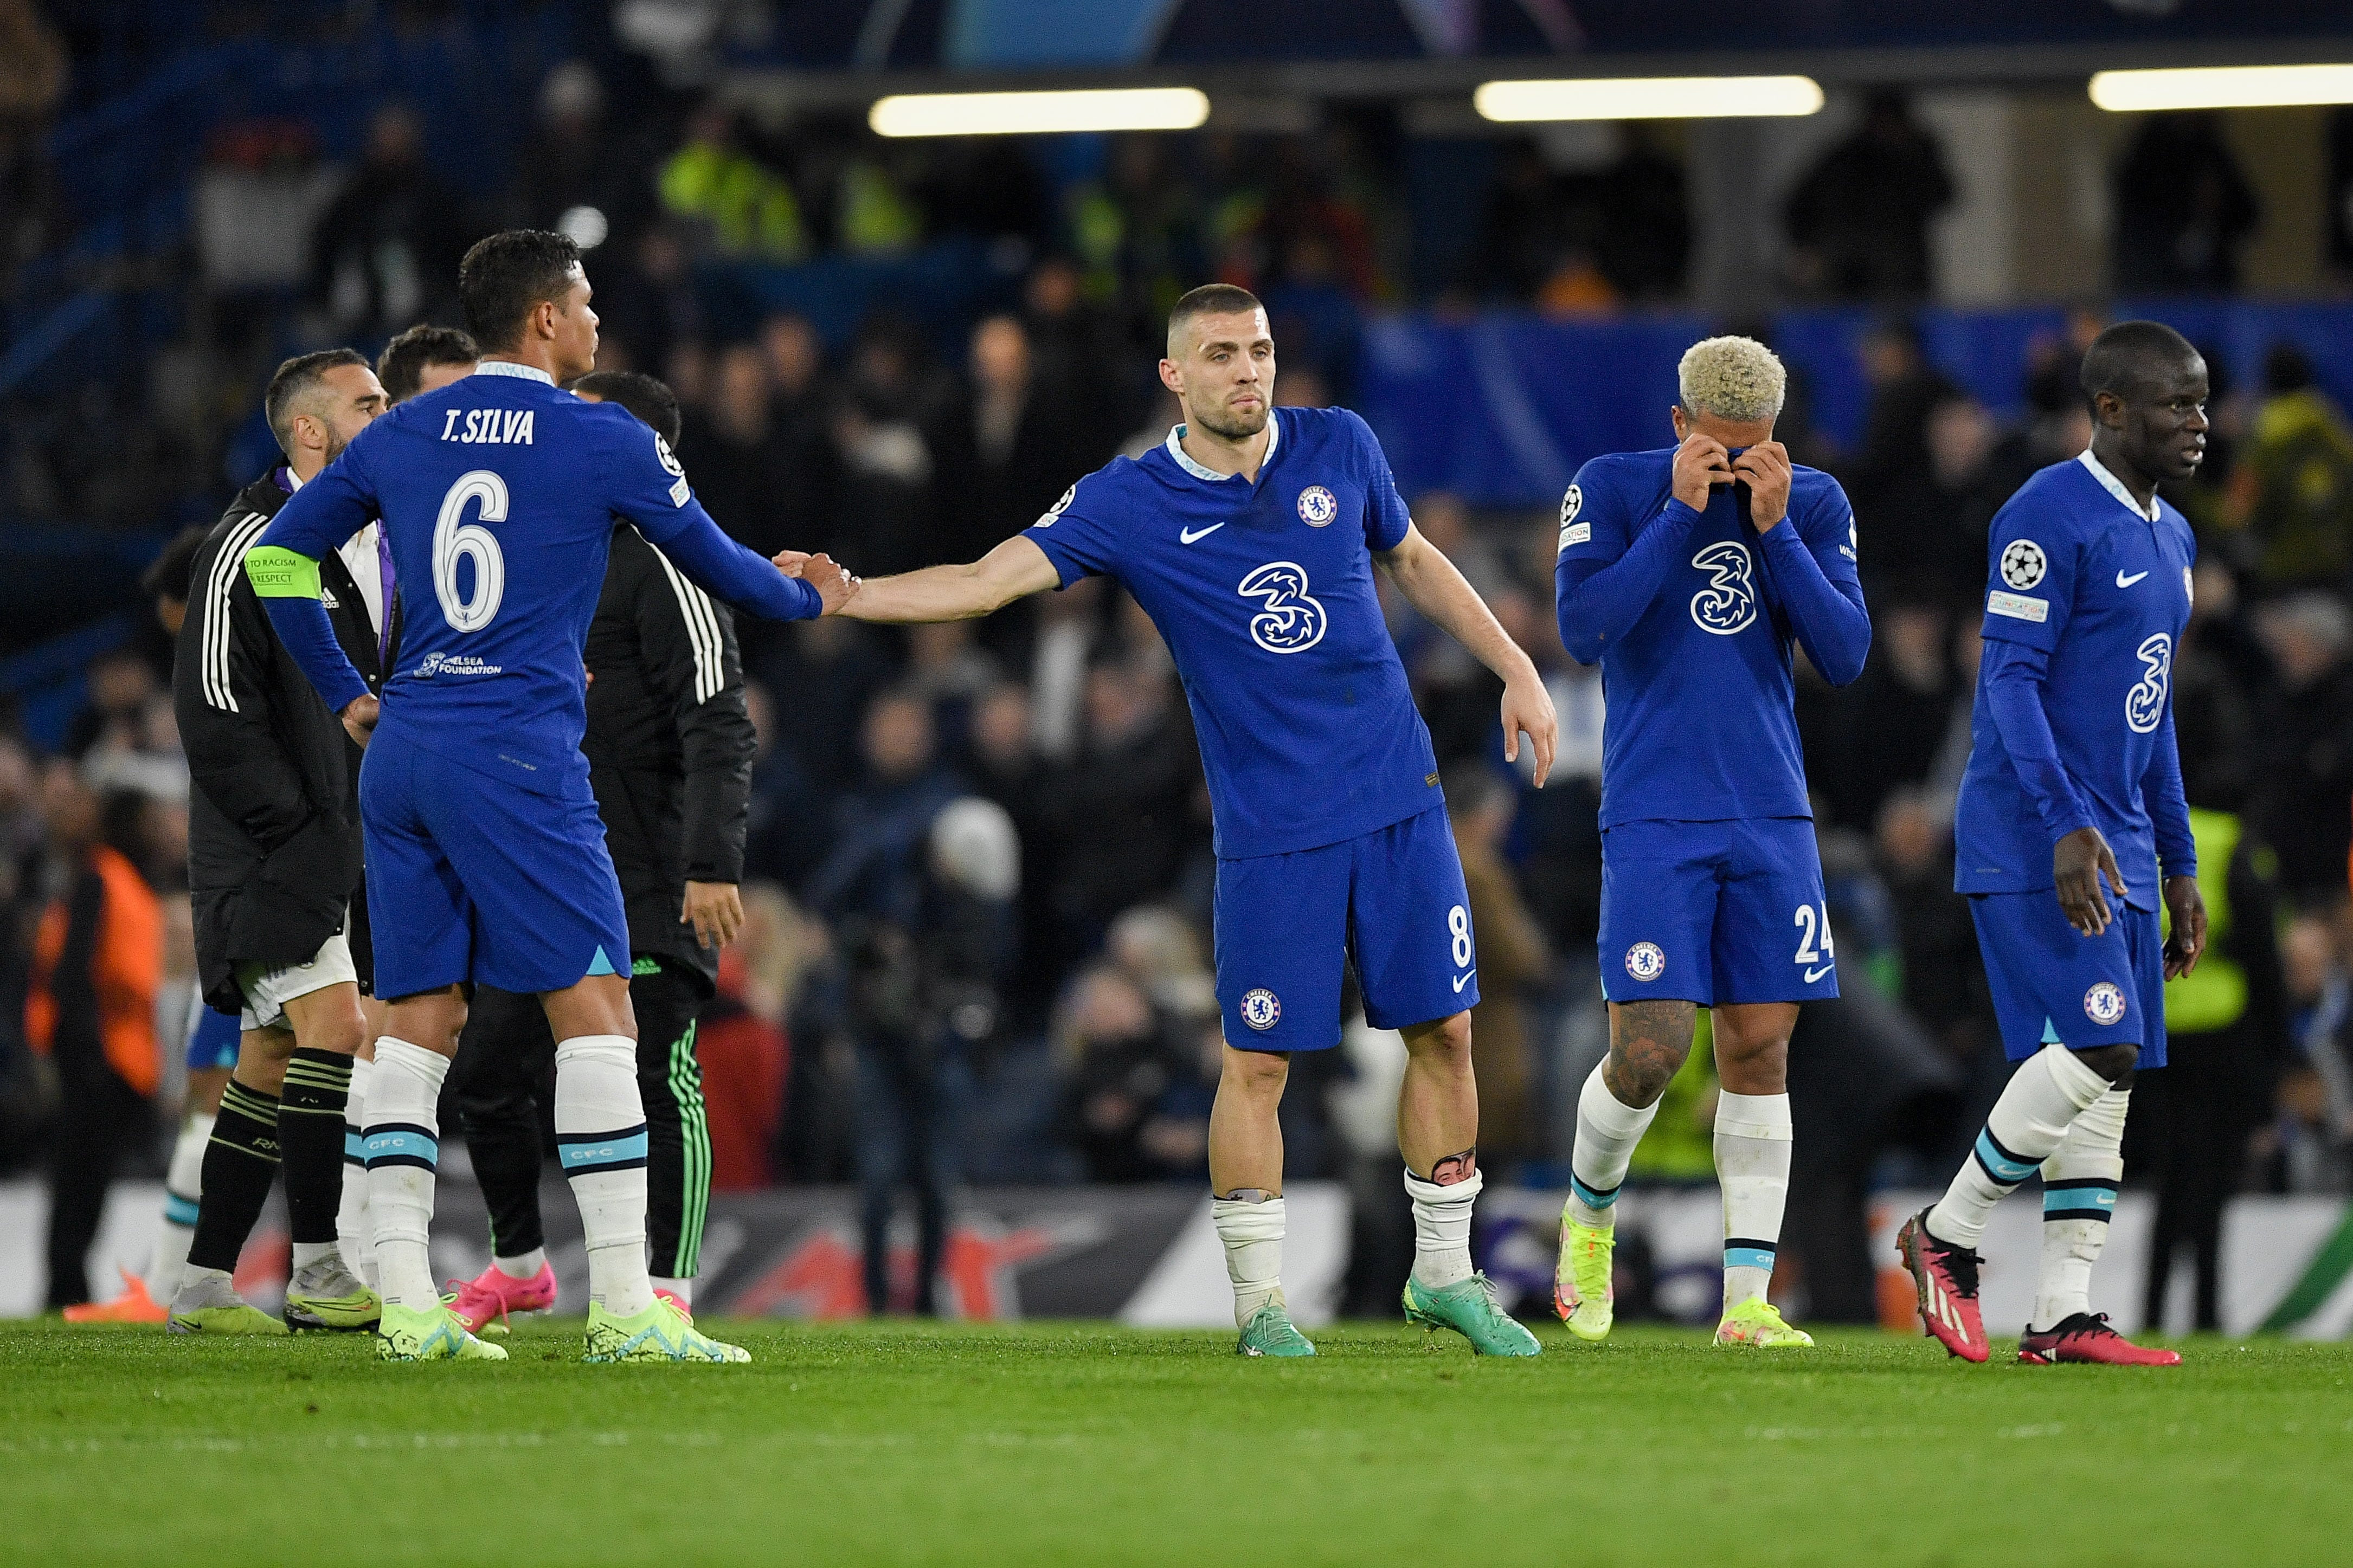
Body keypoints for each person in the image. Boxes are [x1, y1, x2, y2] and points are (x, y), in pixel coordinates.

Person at [797, 283, 1560, 1357]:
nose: (1247, 370)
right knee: (1257, 1062)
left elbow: (1416, 559)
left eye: (1257, 350)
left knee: (1446, 1033)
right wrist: (855, 593)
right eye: (1220, 355)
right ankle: (1257, 1306)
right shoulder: (1129, 501)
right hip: (1271, 830)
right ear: (1175, 378)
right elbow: (982, 581)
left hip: (1401, 804)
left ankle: (1446, 1278)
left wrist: (1516, 668)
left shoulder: (1339, 445)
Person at [250, 228, 849, 1363]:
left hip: (408, 749)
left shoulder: (405, 429)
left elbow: (277, 561)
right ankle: (628, 1309)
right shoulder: (603, 436)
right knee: (599, 1012)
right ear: (543, 321)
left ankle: (410, 1306)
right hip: (516, 757)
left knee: (414, 1028)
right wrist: (810, 595)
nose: (595, 326)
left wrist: (345, 691)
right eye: (585, 306)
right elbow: (722, 568)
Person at [1895, 321, 2211, 1367]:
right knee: (2098, 1044)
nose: (2200, 424)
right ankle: (1946, 1232)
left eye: (2204, 402)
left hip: (2120, 839)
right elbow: (2009, 679)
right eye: (2177, 404)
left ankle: (2065, 1312)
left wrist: (2178, 860)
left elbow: (2152, 708)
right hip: (2036, 836)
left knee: (2108, 1082)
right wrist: (2067, 823)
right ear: (2110, 409)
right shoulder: (2043, 513)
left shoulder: (2173, 536)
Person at [1550, 334, 1873, 1350]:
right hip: (1655, 810)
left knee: (1762, 1045)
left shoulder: (1811, 500)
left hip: (1770, 813)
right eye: (1721, 447)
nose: (1739, 465)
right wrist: (1680, 515)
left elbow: (1847, 652)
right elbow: (1584, 626)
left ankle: (1747, 1303)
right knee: (1650, 1048)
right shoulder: (1611, 486)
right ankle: (1588, 1219)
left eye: (1756, 447)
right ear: (1679, 422)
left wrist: (1775, 533)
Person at [443, 369, 755, 1332]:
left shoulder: (669, 564)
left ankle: (667, 1292)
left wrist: (711, 866)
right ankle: (523, 1263)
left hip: (652, 876)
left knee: (661, 1073)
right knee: (489, 1072)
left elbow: (719, 724)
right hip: (541, 866)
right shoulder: (545, 557)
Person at [164, 349, 394, 1335]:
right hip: (270, 847)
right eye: (368, 402)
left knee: (267, 1059)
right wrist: (300, 828)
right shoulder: (247, 541)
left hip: (334, 838)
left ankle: (204, 1282)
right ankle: (320, 1268)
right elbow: (210, 708)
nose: (386, 415)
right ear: (310, 431)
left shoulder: (361, 536)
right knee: (334, 1027)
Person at [62, 527, 242, 1325]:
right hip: (248, 906)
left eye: (177, 620)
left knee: (353, 1079)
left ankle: (361, 1273)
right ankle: (174, 1286)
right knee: (212, 1095)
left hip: (286, 903)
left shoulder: (249, 665)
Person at [25, 771, 163, 1309]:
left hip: (112, 1058)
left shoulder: (117, 878)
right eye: (152, 822)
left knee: (86, 1179)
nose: (162, 832)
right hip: (99, 1058)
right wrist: (86, 1057)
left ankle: (69, 1284)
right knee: (78, 1180)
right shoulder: (102, 880)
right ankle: (64, 1287)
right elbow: (72, 974)